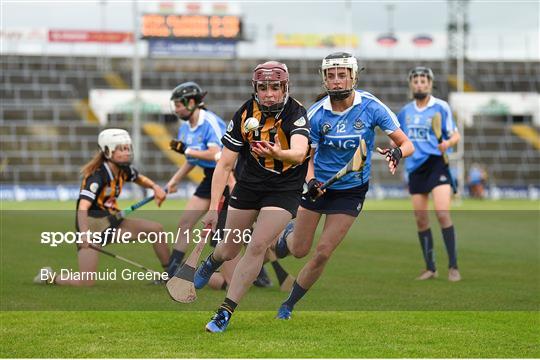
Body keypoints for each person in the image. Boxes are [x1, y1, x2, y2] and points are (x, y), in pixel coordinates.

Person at [272, 52, 415, 320]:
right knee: (299, 250)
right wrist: (311, 181)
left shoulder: (371, 107)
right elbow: (305, 157)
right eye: (331, 76)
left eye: (342, 75)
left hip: (350, 192)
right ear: (324, 80)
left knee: (323, 252)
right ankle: (287, 236)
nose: (336, 81)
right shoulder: (315, 114)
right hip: (318, 187)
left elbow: (406, 143)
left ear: (353, 76)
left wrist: (397, 153)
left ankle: (288, 304)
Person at [194, 60, 310, 332]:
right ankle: (212, 260)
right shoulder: (245, 113)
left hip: (284, 189)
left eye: (275, 87)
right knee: (228, 249)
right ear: (255, 88)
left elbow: (299, 152)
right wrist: (213, 208)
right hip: (249, 187)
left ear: (285, 87)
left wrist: (276, 154)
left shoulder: (297, 112)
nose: (270, 93)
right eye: (264, 87)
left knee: (257, 246)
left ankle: (224, 312)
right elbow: (223, 165)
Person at [34, 129, 169, 286]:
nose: (127, 153)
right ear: (107, 151)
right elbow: (82, 207)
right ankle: (49, 277)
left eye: (128, 148)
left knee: (156, 230)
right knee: (85, 283)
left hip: (113, 223)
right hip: (92, 229)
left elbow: (139, 178)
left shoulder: (123, 169)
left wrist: (155, 187)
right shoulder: (97, 176)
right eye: (121, 149)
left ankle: (170, 274)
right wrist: (84, 235)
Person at [396, 66, 461, 282]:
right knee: (421, 220)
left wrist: (447, 143)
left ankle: (453, 266)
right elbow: (398, 138)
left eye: (423, 81)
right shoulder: (405, 111)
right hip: (415, 168)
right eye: (416, 81)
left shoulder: (441, 107)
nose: (419, 84)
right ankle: (431, 267)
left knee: (442, 213)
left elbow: (455, 135)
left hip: (436, 164)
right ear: (411, 84)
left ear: (430, 84)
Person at [165, 81, 227, 278]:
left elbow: (217, 155)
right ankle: (171, 271)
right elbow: (191, 159)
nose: (176, 109)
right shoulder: (185, 128)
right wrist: (174, 180)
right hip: (209, 177)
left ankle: (258, 273)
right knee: (185, 223)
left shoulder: (210, 122)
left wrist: (186, 149)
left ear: (191, 102)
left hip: (228, 177)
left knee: (230, 233)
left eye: (178, 104)